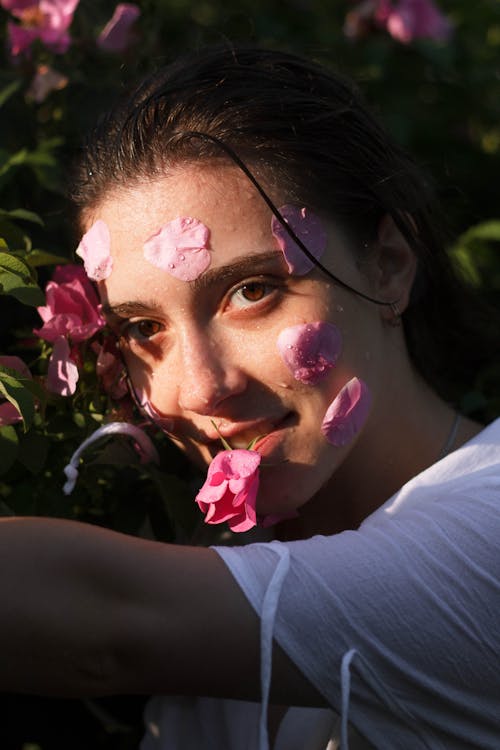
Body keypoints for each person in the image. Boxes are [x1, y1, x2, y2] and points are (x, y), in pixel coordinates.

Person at [2, 45, 500, 749]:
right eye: (143, 330)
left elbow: (104, 626)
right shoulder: (214, 553)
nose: (200, 388)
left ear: (389, 267)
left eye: (252, 291)